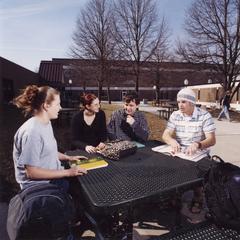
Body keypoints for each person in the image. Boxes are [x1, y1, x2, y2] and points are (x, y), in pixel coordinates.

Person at [12, 85, 87, 191]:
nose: (60, 108)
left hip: (53, 176)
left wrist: (68, 158)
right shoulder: (32, 132)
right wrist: (68, 172)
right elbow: (31, 172)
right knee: (83, 190)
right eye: (57, 104)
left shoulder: (45, 123)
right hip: (41, 187)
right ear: (46, 106)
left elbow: (47, 152)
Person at [162, 88, 216, 213]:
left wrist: (198, 144)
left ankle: (198, 197)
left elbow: (212, 140)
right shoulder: (175, 115)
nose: (180, 105)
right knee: (166, 168)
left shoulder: (204, 116)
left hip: (199, 153)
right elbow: (166, 135)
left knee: (198, 173)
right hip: (180, 151)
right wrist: (172, 141)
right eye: (179, 102)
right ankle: (174, 195)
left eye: (184, 102)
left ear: (192, 103)